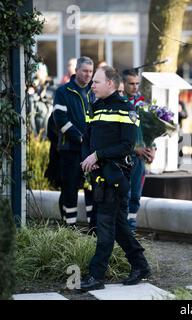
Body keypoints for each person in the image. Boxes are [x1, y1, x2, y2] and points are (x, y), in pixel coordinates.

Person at [79, 66, 151, 291]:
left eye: (97, 82)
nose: (92, 85)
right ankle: (140, 265)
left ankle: (96, 276)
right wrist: (88, 160)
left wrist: (98, 155)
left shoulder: (126, 109)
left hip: (116, 176)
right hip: (99, 175)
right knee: (119, 226)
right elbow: (87, 139)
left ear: (110, 83)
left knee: (105, 226)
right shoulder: (95, 106)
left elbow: (127, 146)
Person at [53, 56, 95, 229]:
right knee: (69, 190)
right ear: (76, 70)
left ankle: (94, 228)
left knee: (92, 190)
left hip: (91, 152)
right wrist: (79, 137)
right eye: (84, 71)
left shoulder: (94, 91)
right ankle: (69, 230)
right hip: (70, 150)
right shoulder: (63, 92)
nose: (88, 75)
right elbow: (60, 119)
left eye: (90, 72)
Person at [121, 68, 156, 234]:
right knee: (124, 195)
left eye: (137, 83)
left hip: (141, 160)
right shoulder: (118, 103)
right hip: (123, 158)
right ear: (123, 83)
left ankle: (131, 229)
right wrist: (135, 149)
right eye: (131, 84)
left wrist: (152, 149)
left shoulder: (143, 104)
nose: (135, 87)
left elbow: (151, 130)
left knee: (135, 195)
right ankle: (123, 231)